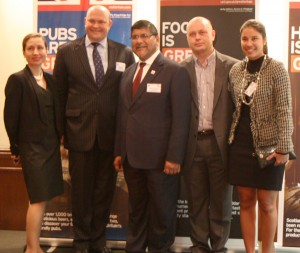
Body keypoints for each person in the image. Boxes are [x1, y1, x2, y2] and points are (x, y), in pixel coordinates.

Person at [53, 5, 135, 253]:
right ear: (85, 22)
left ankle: (98, 242)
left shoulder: (124, 53)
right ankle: (81, 242)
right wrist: (60, 134)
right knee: (80, 193)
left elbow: (128, 99)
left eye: (102, 22)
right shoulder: (66, 51)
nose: (97, 26)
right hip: (79, 134)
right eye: (92, 21)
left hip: (111, 137)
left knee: (104, 193)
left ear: (110, 24)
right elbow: (59, 94)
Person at [113, 20, 191, 253]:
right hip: (131, 158)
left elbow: (181, 118)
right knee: (136, 211)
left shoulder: (175, 71)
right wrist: (119, 151)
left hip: (161, 161)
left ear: (157, 38)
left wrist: (174, 157)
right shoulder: (128, 74)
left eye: (145, 36)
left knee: (162, 213)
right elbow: (123, 115)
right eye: (135, 37)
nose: (139, 41)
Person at [228, 19, 294, 253]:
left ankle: (267, 250)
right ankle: (249, 251)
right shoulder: (236, 70)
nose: (249, 43)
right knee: (245, 201)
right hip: (241, 146)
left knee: (267, 203)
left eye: (254, 38)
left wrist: (284, 148)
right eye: (245, 39)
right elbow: (235, 109)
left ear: (264, 40)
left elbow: (285, 109)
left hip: (270, 147)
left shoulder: (276, 68)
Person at [181, 17, 238, 253]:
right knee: (196, 200)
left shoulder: (233, 66)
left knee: (221, 202)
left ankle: (219, 247)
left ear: (212, 34)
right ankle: (199, 245)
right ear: (187, 38)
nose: (197, 38)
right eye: (192, 34)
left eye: (201, 33)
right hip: (192, 145)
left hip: (221, 145)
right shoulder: (180, 69)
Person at [4, 33, 64, 253]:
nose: (36, 52)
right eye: (31, 48)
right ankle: (32, 247)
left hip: (50, 148)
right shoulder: (18, 79)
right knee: (37, 199)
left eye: (40, 47)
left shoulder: (52, 79)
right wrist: (14, 148)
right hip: (31, 149)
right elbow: (10, 117)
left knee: (43, 198)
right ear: (24, 52)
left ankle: (34, 244)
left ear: (47, 51)